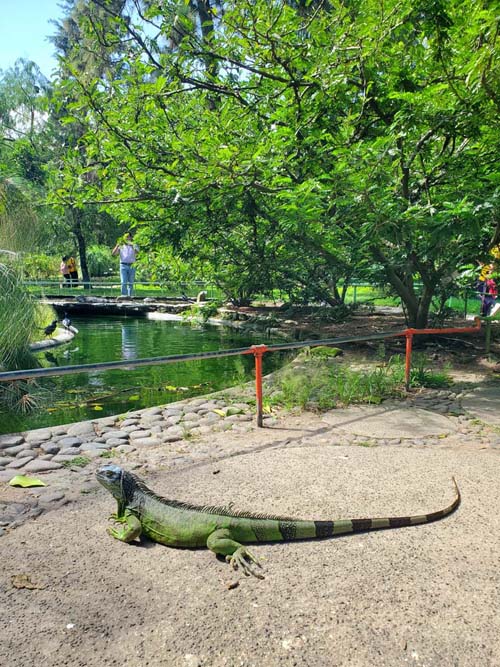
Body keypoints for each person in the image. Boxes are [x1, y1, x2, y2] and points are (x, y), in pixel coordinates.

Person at [112, 231, 138, 297]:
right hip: (123, 265)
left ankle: (130, 297)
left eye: (128, 237)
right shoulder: (121, 245)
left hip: (132, 265)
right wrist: (117, 245)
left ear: (131, 237)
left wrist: (132, 246)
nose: (127, 238)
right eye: (125, 237)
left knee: (131, 283)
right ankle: (124, 297)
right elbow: (114, 254)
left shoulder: (134, 244)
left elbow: (137, 253)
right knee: (123, 282)